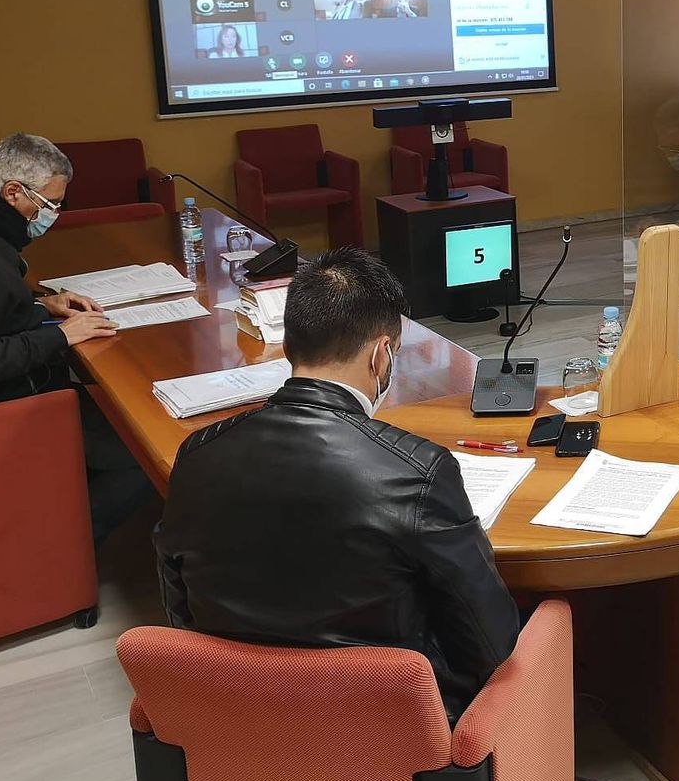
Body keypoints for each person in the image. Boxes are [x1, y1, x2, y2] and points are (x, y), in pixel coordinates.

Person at [153, 248, 519, 721]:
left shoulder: (197, 453)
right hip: (387, 724)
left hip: (239, 715)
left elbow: (180, 605)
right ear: (382, 355)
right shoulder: (420, 471)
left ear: (289, 345)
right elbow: (491, 642)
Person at [0, 134, 151, 542]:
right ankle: (64, 544)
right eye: (50, 204)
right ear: (13, 192)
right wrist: (61, 337)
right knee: (144, 450)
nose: (53, 215)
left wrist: (41, 305)